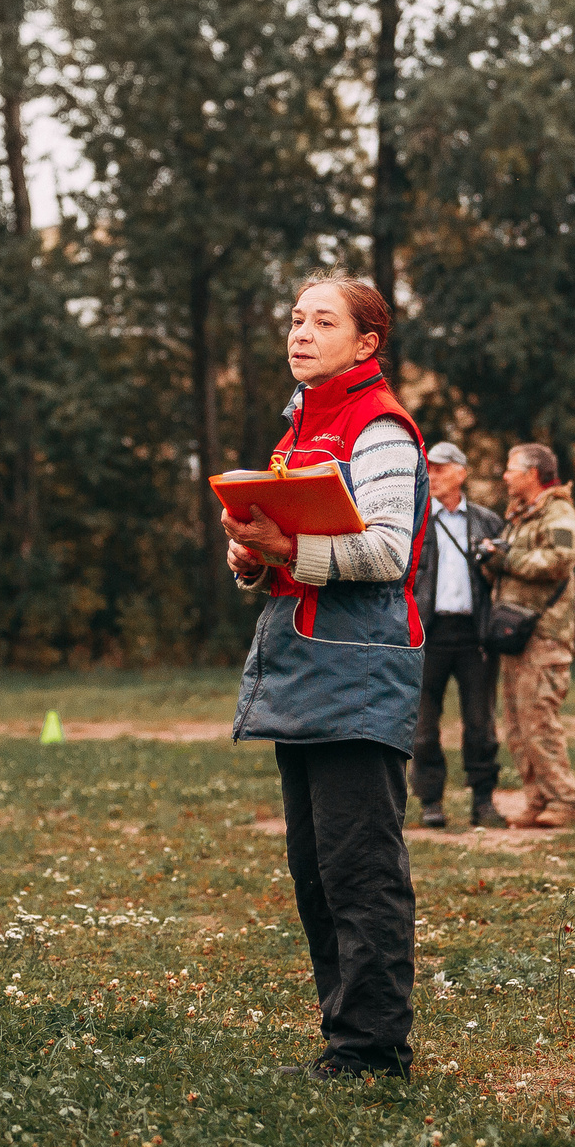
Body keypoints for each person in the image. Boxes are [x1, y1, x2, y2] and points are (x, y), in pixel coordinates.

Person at [223, 276, 428, 1079]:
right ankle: (344, 1035)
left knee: (361, 872)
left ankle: (374, 1050)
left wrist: (281, 548)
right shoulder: (298, 426)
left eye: (323, 320)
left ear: (366, 343)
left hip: (360, 675)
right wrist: (249, 557)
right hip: (302, 671)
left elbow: (384, 549)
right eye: (297, 318)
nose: (301, 332)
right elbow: (287, 552)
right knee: (315, 872)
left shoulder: (377, 426)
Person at [480, 444, 575, 829]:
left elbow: (559, 561)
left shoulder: (559, 514)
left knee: (540, 719)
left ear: (533, 473)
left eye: (511, 469)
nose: (505, 476)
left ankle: (564, 801)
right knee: (518, 724)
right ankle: (537, 800)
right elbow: (507, 566)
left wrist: (506, 558)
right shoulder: (519, 518)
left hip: (545, 636)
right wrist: (490, 558)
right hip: (515, 635)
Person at [411, 440, 505, 830]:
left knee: (481, 724)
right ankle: (431, 801)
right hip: (426, 635)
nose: (431, 475)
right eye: (428, 468)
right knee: (422, 727)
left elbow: (505, 577)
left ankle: (483, 801)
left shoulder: (488, 521)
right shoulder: (414, 521)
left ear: (461, 472)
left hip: (475, 636)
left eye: (439, 468)